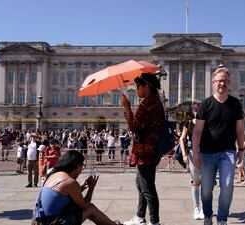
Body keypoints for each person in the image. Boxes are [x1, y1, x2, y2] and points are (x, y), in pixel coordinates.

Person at [192, 67, 245, 225]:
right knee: (207, 189)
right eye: (219, 80)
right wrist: (195, 153)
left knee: (228, 186)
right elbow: (197, 130)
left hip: (227, 152)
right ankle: (208, 215)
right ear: (214, 83)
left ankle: (222, 219)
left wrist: (241, 149)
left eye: (225, 80)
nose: (222, 83)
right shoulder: (206, 104)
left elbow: (239, 128)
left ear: (229, 82)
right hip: (207, 153)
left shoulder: (235, 103)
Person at [34, 150, 121, 225]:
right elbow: (84, 206)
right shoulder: (69, 182)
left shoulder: (54, 175)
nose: (81, 170)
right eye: (82, 166)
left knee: (84, 209)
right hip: (54, 222)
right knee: (90, 208)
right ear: (77, 165)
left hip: (44, 220)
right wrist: (91, 188)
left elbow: (63, 196)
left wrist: (81, 188)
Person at [122, 73, 164, 225]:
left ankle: (154, 222)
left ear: (147, 86)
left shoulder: (147, 103)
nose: (137, 89)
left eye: (138, 86)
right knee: (141, 184)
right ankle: (140, 217)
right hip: (150, 150)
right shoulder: (156, 101)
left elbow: (134, 126)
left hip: (146, 151)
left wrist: (127, 107)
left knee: (148, 188)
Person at [180, 102, 205, 220]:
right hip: (191, 154)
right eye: (195, 110)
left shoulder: (206, 123)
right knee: (196, 181)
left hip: (205, 154)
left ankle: (204, 208)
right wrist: (184, 154)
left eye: (199, 110)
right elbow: (182, 139)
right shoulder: (188, 123)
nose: (197, 112)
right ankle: (196, 207)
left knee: (205, 182)